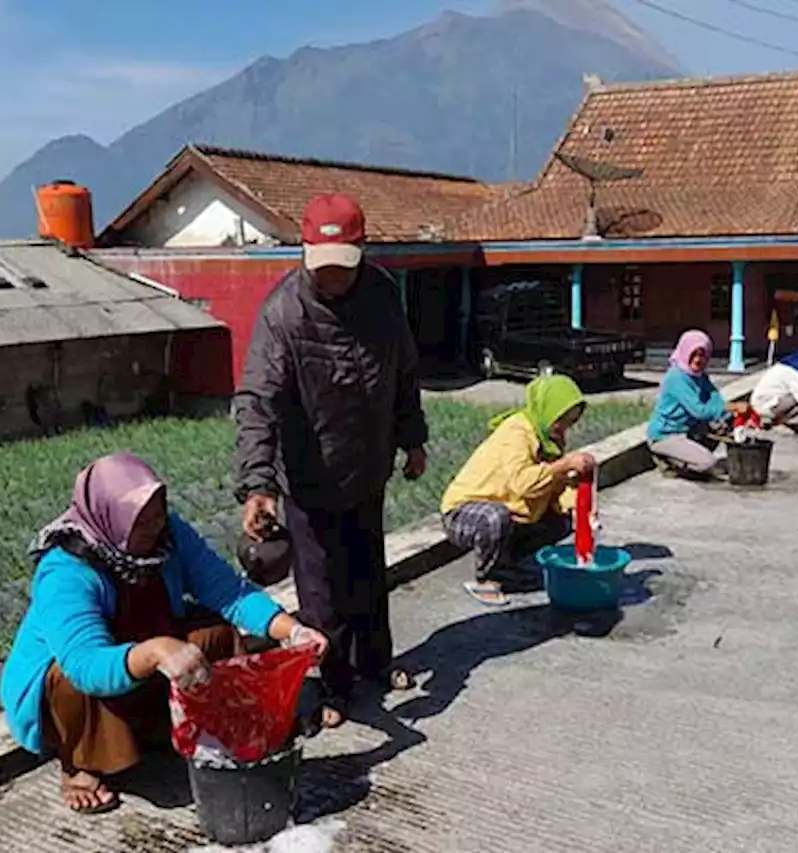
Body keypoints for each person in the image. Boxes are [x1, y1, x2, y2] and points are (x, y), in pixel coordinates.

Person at [0, 453, 326, 814]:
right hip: (74, 683)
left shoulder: (168, 535)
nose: (156, 524)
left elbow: (228, 592)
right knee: (68, 683)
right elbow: (87, 667)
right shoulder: (65, 571)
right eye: (142, 519)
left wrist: (292, 630)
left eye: (158, 511)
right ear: (110, 518)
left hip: (141, 648)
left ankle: (177, 729)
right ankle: (80, 764)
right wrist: (156, 651)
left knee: (215, 634)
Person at [234, 193, 428, 729]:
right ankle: (333, 688)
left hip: (368, 464)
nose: (333, 279)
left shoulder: (383, 297)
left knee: (368, 570)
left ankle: (376, 664)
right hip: (310, 477)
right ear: (303, 250)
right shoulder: (284, 314)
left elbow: (404, 372)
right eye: (322, 267)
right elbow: (257, 402)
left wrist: (413, 439)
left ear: (362, 251)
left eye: (343, 267)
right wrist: (258, 484)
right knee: (320, 590)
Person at [440, 375, 595, 607]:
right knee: (495, 519)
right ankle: (487, 578)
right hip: (464, 512)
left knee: (560, 522)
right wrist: (563, 465)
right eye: (561, 420)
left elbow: (556, 485)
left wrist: (578, 510)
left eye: (570, 423)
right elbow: (522, 484)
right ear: (548, 410)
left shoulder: (550, 439)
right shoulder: (517, 432)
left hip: (510, 509)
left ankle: (508, 565)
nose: (563, 428)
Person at [648, 330, 747, 478]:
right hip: (667, 435)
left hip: (688, 430)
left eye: (702, 355)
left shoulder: (700, 377)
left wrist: (730, 415)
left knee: (721, 424)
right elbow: (699, 411)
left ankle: (688, 455)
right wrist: (731, 406)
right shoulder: (676, 378)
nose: (697, 360)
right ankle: (670, 461)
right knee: (708, 463)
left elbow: (714, 398)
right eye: (693, 354)